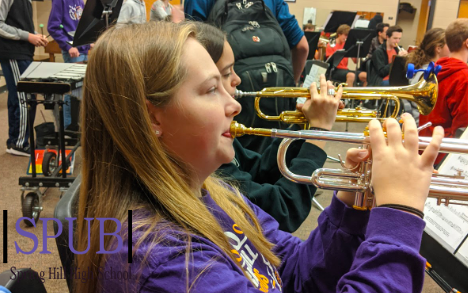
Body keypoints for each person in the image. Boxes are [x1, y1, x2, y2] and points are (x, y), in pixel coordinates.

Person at [76, 21, 444, 293]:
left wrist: (352, 205)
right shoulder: (163, 259)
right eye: (210, 90)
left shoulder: (212, 193)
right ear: (152, 116)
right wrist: (398, 219)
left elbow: (296, 272)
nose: (234, 104)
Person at [195, 22, 336, 232]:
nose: (238, 79)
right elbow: (282, 212)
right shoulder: (205, 156)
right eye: (226, 73)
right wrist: (319, 133)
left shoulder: (216, 137)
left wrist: (302, 123)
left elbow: (260, 170)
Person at [184, 0, 309, 85]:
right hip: (274, 96)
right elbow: (302, 47)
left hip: (226, 98)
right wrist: (289, 85)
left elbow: (193, 50)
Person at [0, 0, 48, 156]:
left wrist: (35, 36)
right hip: (13, 53)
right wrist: (28, 36)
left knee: (19, 98)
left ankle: (15, 141)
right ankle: (19, 144)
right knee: (25, 98)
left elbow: (21, 25)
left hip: (24, 52)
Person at [419, 19, 468, 165]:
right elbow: (463, 127)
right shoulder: (463, 77)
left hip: (424, 147)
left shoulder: (433, 70)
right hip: (447, 154)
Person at [48, 0, 91, 130]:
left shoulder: (80, 2)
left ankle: (78, 125)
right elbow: (53, 27)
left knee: (82, 91)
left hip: (82, 50)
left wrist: (89, 44)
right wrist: (67, 47)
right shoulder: (60, 1)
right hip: (72, 51)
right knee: (71, 90)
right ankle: (67, 127)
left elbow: (82, 28)